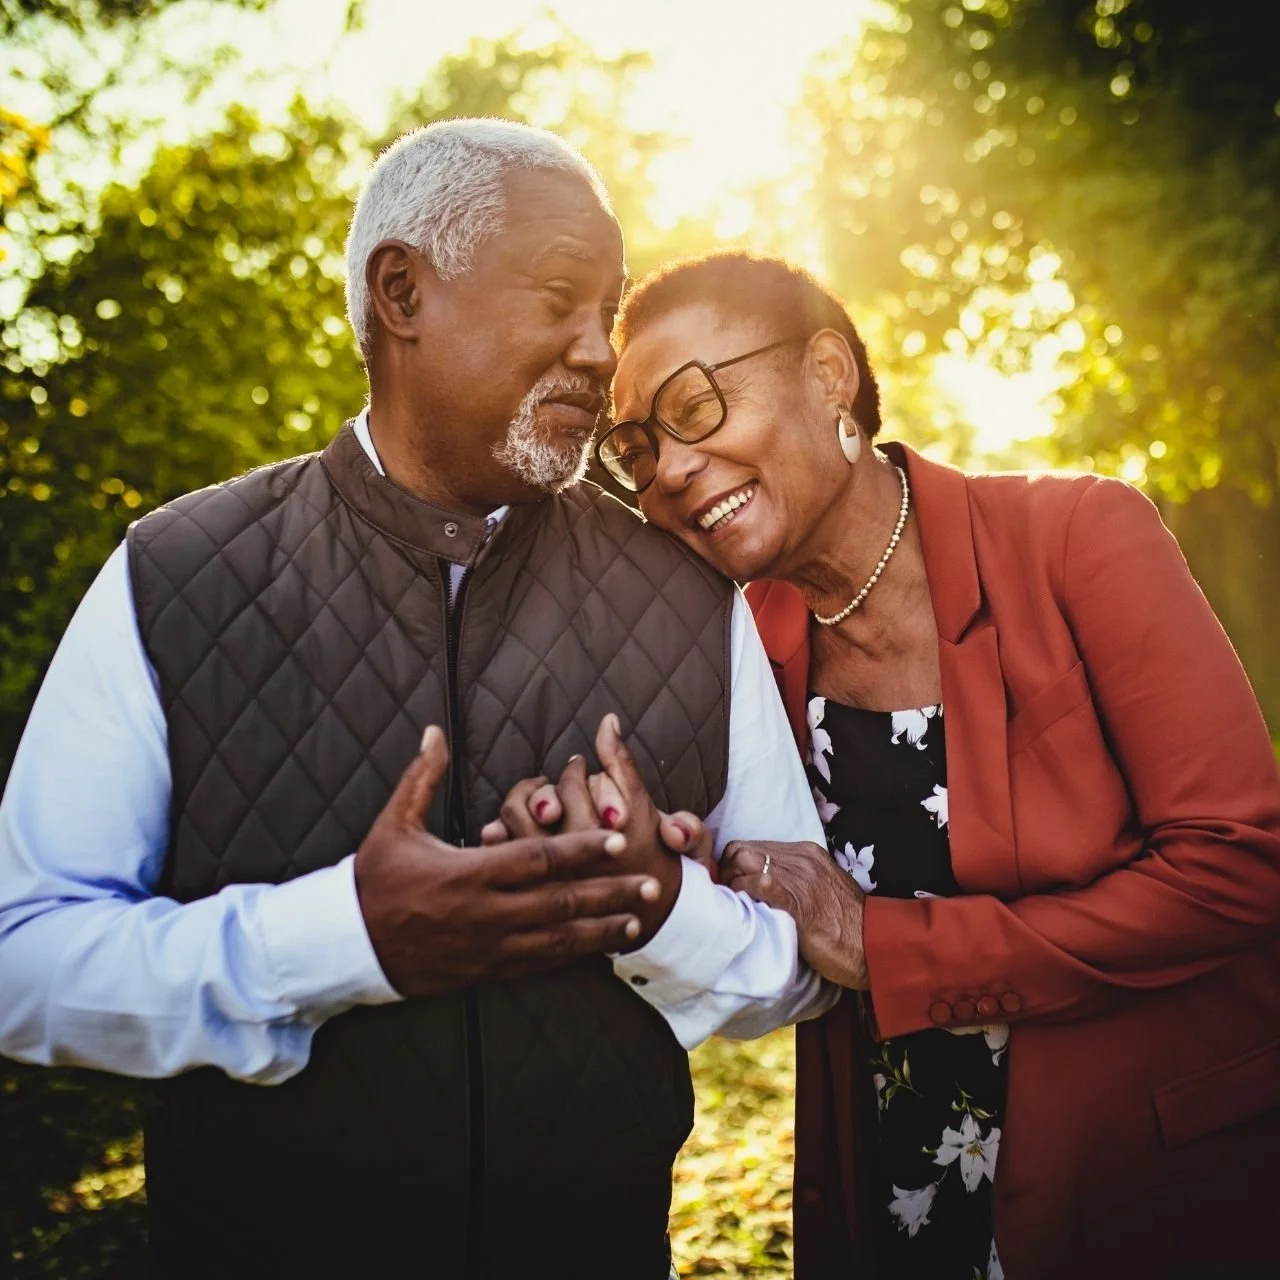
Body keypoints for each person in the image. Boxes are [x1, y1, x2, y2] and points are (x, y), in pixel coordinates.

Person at [0, 130, 836, 1280]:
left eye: (608, 306)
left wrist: (659, 910)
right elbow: (24, 961)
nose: (600, 352)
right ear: (401, 292)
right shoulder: (174, 572)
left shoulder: (690, 595)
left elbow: (802, 961)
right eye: (560, 297)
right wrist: (347, 937)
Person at [541, 251, 1280, 1279]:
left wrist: (883, 943)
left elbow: (1235, 866)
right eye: (637, 447)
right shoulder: (736, 644)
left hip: (1143, 1181)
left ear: (828, 376)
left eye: (695, 406)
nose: (666, 468)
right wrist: (661, 868)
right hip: (895, 1179)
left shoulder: (1077, 537)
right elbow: (750, 903)